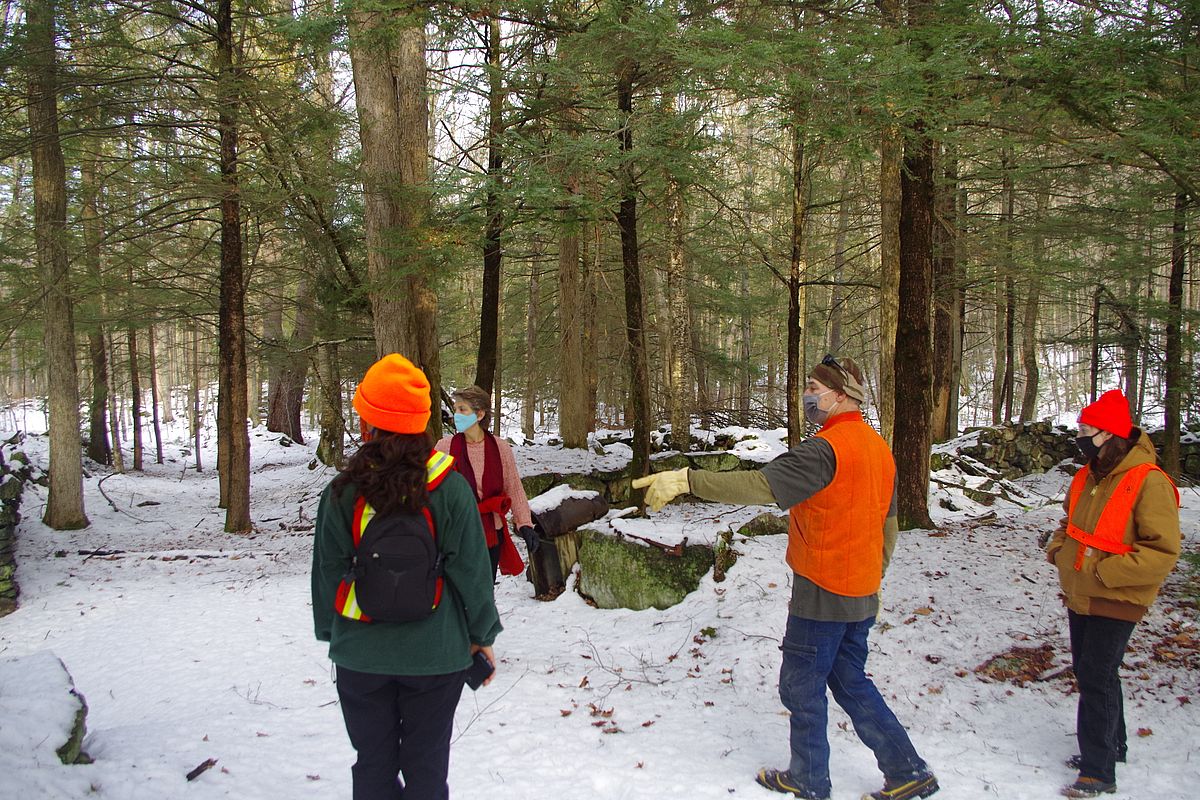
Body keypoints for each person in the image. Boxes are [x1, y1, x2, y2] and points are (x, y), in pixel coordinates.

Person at [633, 355, 938, 800]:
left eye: (814, 387)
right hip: (861, 592)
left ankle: (809, 779)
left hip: (822, 591)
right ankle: (907, 769)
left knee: (801, 685)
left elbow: (761, 486)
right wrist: (872, 577)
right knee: (850, 679)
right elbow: (887, 526)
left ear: (839, 395)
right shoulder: (878, 448)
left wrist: (686, 480)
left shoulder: (825, 449)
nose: (807, 394)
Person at [312, 354, 502, 800]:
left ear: (367, 423)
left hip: (360, 656)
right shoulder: (449, 487)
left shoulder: (341, 492)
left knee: (373, 767)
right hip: (436, 657)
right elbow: (472, 571)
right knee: (427, 768)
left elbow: (328, 571)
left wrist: (332, 631)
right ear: (423, 424)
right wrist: (482, 635)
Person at [1045, 389, 1180, 798]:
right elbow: (1070, 523)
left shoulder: (1149, 481)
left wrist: (1107, 573)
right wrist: (1057, 550)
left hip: (1118, 595)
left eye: (1086, 429)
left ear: (1110, 434)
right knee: (1097, 672)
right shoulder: (1086, 474)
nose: (1080, 435)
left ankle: (1098, 770)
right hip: (1080, 590)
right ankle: (1113, 745)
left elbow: (1162, 551)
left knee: (1095, 676)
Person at [434, 384, 538, 582]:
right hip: (455, 534)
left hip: (490, 533)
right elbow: (430, 492)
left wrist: (524, 524)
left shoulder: (500, 448)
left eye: (462, 409)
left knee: (483, 591)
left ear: (479, 414)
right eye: (455, 409)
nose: (456, 414)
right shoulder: (444, 447)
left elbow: (514, 487)